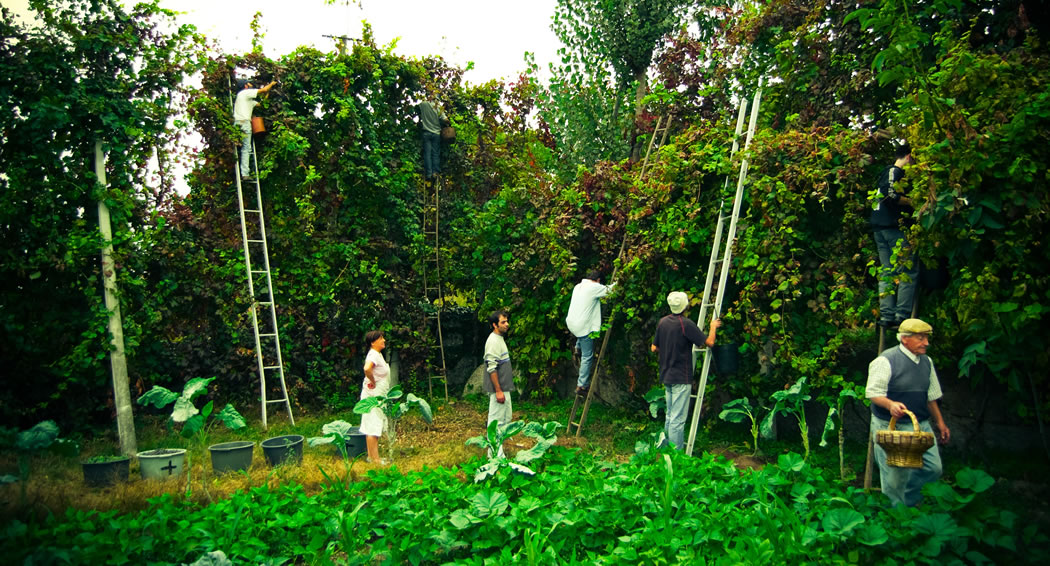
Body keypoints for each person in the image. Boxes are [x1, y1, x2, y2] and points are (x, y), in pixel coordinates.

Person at [866, 318, 950, 507]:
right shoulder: (885, 360)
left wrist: (941, 423)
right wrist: (890, 405)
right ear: (905, 339)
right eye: (921, 338)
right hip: (890, 426)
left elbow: (932, 396)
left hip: (920, 425)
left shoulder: (927, 362)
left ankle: (909, 501)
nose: (926, 343)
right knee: (895, 477)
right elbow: (872, 392)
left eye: (926, 338)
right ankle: (896, 518)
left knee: (933, 468)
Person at [650, 292, 721, 450]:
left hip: (666, 375)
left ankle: (666, 452)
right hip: (681, 377)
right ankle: (677, 457)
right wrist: (712, 327)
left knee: (670, 415)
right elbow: (709, 342)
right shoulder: (685, 324)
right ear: (685, 305)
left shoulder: (663, 322)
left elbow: (654, 347)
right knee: (677, 419)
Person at [870, 142, 919, 328]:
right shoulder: (894, 172)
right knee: (907, 270)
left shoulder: (884, 173)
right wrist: (913, 201)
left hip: (879, 229)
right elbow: (892, 196)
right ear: (908, 156)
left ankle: (886, 315)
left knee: (887, 272)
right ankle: (901, 315)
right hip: (892, 228)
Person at [565, 270, 615, 395]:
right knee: (587, 356)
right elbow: (611, 290)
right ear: (598, 280)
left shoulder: (578, 286)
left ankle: (577, 347)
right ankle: (581, 385)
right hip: (581, 327)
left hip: (572, 323)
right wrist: (621, 280)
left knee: (581, 334)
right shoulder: (594, 287)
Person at [483, 310, 514, 456]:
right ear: (494, 325)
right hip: (499, 389)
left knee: (505, 419)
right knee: (495, 422)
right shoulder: (493, 341)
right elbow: (491, 367)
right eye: (503, 322)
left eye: (507, 321)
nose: (507, 324)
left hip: (504, 387)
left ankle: (499, 452)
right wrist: (498, 391)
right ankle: (494, 456)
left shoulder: (499, 339)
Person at [234, 79, 276, 180]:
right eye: (249, 83)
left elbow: (261, 104)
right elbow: (263, 90)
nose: (251, 84)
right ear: (245, 86)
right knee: (246, 149)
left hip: (237, 123)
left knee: (238, 147)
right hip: (244, 123)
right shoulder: (245, 93)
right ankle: (245, 174)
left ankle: (243, 172)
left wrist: (268, 93)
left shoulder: (245, 98)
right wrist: (272, 83)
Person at [360, 330, 391, 464]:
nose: (384, 340)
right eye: (381, 338)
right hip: (373, 396)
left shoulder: (377, 354)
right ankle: (376, 460)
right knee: (373, 425)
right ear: (373, 342)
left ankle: (371, 457)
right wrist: (372, 381)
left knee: (372, 425)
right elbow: (367, 369)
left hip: (376, 395)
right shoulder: (373, 354)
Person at [417, 99, 446, 180]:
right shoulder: (438, 107)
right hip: (436, 133)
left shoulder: (423, 104)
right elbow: (445, 119)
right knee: (435, 153)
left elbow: (417, 109)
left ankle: (429, 174)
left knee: (427, 153)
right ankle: (435, 172)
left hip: (426, 132)